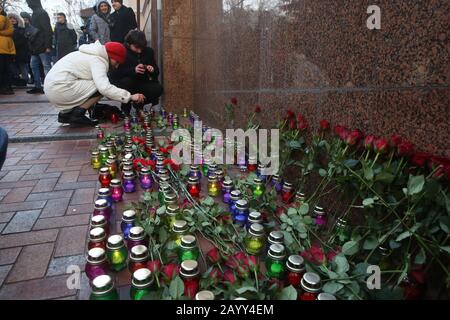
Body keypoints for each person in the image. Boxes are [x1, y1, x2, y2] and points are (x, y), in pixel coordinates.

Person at [44, 41, 145, 127]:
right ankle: (77, 115)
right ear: (111, 56)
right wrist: (130, 97)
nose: (117, 66)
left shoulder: (91, 54)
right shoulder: (98, 60)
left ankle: (66, 114)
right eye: (117, 62)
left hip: (54, 87)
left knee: (96, 83)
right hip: (60, 88)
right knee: (101, 86)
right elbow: (104, 88)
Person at [111, 30, 162, 116]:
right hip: (126, 85)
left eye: (141, 48)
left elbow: (156, 72)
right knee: (127, 82)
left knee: (158, 88)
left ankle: (139, 106)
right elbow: (114, 74)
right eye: (136, 47)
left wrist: (152, 69)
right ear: (128, 44)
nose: (139, 51)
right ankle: (125, 108)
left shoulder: (148, 51)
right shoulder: (122, 51)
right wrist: (133, 70)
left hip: (143, 83)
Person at [25, 0, 53, 95]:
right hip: (35, 46)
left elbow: (48, 30)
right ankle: (38, 86)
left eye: (29, 2)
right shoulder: (36, 13)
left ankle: (51, 87)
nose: (28, 4)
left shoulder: (41, 13)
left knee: (46, 67)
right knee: (34, 66)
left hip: (42, 46)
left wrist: (48, 45)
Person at [7, 13, 30, 86]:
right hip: (10, 51)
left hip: (20, 52)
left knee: (22, 66)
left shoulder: (21, 29)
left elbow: (22, 40)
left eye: (14, 18)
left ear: (18, 20)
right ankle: (16, 80)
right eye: (10, 19)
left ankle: (25, 80)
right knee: (13, 67)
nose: (12, 20)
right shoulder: (7, 29)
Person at [0, 5, 16, 95]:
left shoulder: (2, 17)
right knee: (5, 69)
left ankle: (5, 88)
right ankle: (6, 87)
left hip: (3, 49)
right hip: (5, 49)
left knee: (3, 70)